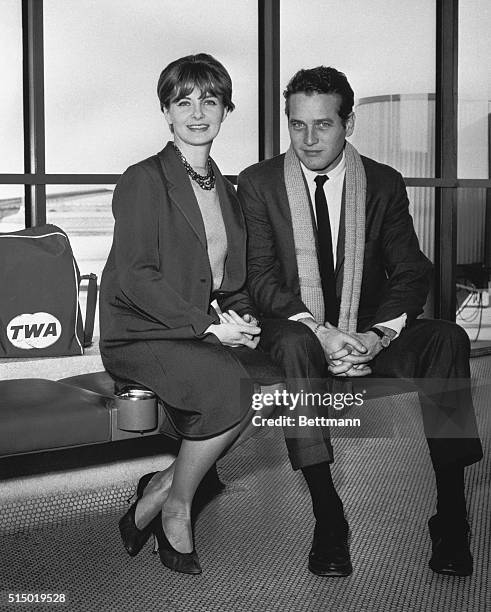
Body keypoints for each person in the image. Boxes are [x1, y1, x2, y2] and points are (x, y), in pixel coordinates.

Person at [237, 66, 483, 578]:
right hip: (293, 326)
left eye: (323, 124)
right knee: (298, 347)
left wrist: (376, 336)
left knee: (448, 339)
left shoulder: (383, 184)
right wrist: (321, 331)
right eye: (297, 124)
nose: (308, 139)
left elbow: (411, 269)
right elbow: (260, 278)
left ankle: (452, 517)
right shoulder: (259, 184)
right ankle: (329, 516)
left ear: (348, 124)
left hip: (365, 329)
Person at [99, 53, 278, 575]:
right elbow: (136, 275)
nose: (197, 112)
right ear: (167, 111)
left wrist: (237, 319)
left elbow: (228, 279)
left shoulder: (227, 189)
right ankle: (177, 506)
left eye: (210, 100)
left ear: (226, 110)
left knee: (274, 386)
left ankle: (161, 484)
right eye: (184, 101)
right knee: (229, 386)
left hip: (193, 329)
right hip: (139, 332)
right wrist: (208, 326)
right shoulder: (143, 179)